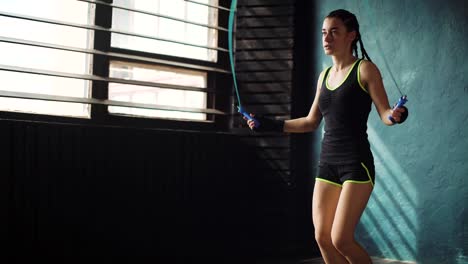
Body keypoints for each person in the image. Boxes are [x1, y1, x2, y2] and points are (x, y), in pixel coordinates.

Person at [244, 9, 408, 264]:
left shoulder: (364, 69)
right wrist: (268, 124)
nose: (326, 38)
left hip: (356, 164)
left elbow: (385, 113)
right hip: (328, 165)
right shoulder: (324, 77)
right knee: (322, 238)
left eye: (334, 32)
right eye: (324, 32)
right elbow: (310, 122)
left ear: (351, 36)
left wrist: (395, 115)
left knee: (341, 239)